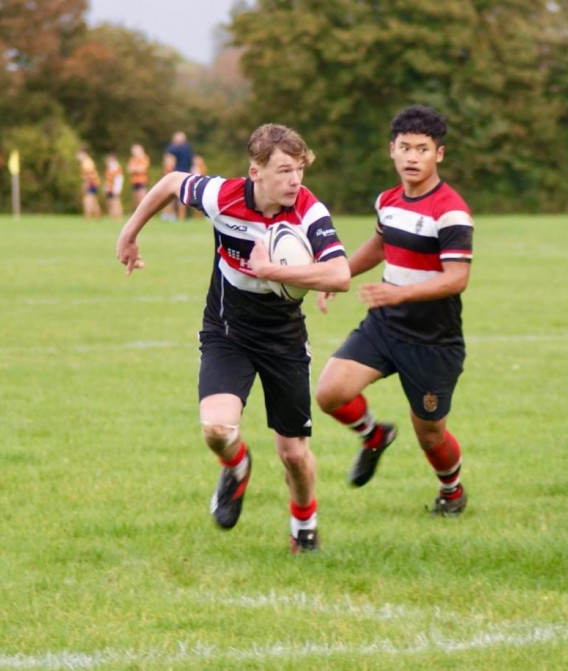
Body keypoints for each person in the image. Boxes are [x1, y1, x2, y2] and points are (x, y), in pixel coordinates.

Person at [116, 123, 351, 552]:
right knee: (217, 429)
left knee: (294, 456)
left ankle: (304, 526)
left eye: (299, 169)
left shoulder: (308, 211)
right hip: (228, 331)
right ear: (255, 171)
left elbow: (341, 274)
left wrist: (273, 271)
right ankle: (237, 466)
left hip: (284, 338)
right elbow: (170, 183)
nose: (294, 180)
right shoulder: (223, 196)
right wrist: (130, 232)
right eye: (283, 170)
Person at [315, 104, 473, 516]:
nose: (412, 157)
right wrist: (338, 275)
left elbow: (457, 277)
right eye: (405, 147)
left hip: (433, 340)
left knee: (431, 435)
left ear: (439, 153)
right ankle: (373, 436)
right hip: (385, 325)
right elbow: (381, 245)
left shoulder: (451, 211)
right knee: (330, 393)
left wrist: (401, 294)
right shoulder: (388, 200)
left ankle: (452, 492)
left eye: (422, 149)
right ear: (392, 150)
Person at [164, 132, 194, 220]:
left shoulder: (174, 149)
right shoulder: (188, 149)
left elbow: (169, 160)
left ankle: (172, 215)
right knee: (181, 196)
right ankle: (180, 217)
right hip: (186, 175)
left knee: (172, 196)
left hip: (176, 175)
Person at [76, 149, 101, 219]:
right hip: (94, 182)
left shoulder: (87, 163)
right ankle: (97, 215)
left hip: (91, 183)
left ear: (83, 154)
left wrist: (86, 183)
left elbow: (89, 174)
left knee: (87, 199)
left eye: (79, 155)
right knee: (93, 199)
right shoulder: (88, 161)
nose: (78, 157)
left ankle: (88, 215)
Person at [127, 143, 150, 208]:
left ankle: (146, 212)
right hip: (134, 181)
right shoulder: (132, 159)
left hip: (141, 181)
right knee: (135, 199)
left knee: (142, 199)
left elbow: (142, 169)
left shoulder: (144, 158)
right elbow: (129, 169)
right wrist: (136, 168)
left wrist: (134, 168)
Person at [104, 153, 124, 219]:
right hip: (109, 187)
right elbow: (107, 179)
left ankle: (119, 216)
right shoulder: (109, 167)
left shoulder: (117, 167)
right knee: (110, 201)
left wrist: (117, 188)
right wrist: (106, 187)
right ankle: (112, 215)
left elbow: (119, 178)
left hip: (114, 187)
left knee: (116, 201)